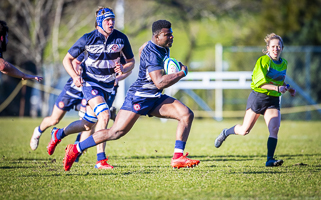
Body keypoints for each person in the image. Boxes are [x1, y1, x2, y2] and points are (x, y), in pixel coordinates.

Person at [62, 19, 200, 171]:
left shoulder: (159, 46)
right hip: (139, 97)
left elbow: (142, 49)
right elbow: (160, 82)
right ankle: (76, 149)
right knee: (115, 132)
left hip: (153, 98)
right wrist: (181, 73)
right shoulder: (154, 52)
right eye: (168, 35)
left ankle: (178, 157)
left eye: (171, 34)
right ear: (157, 36)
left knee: (186, 114)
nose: (171, 37)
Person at [46, 6, 135, 169]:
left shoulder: (121, 39)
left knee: (87, 124)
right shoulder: (87, 39)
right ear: (99, 22)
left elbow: (131, 61)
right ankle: (100, 160)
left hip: (109, 86)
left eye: (113, 19)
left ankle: (58, 133)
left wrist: (123, 69)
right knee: (104, 116)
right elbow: (67, 59)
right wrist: (75, 76)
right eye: (108, 20)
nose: (111, 22)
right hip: (91, 83)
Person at [214, 33, 296, 167]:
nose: (276, 49)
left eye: (278, 46)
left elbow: (279, 81)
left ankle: (270, 160)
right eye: (273, 46)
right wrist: (277, 88)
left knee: (274, 128)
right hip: (258, 98)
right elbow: (259, 84)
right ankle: (226, 132)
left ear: (282, 48)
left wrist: (288, 88)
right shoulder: (263, 61)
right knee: (244, 130)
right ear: (268, 48)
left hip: (273, 100)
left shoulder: (284, 63)